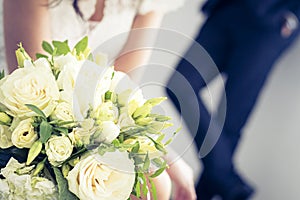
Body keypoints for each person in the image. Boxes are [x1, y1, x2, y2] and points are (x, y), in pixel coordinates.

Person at [3, 0, 197, 200]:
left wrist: (164, 155)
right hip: (26, 121)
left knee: (154, 185)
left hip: (90, 125)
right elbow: (36, 86)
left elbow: (119, 91)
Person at [166, 0, 300, 199]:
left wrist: (292, 17)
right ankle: (229, 183)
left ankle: (210, 191)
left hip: (272, 23)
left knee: (230, 121)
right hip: (228, 9)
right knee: (180, 84)